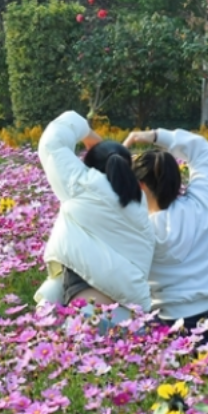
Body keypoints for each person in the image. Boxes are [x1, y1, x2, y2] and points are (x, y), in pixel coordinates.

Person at [124, 129, 208, 340]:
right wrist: (154, 136)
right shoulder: (203, 202)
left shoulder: (136, 230)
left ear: (141, 187)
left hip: (178, 323)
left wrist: (115, 161)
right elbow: (202, 150)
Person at [34, 111, 156, 313]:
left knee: (47, 305)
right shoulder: (138, 200)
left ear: (89, 165)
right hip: (131, 310)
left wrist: (90, 136)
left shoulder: (84, 184)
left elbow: (52, 141)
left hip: (88, 311)